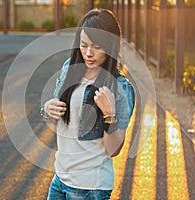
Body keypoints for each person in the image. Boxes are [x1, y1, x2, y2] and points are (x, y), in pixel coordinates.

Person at [41, 8, 135, 200]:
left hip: (89, 186)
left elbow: (113, 150)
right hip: (60, 178)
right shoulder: (69, 68)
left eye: (97, 46)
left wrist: (109, 114)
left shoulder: (120, 88)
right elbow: (61, 124)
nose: (89, 53)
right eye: (84, 45)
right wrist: (48, 110)